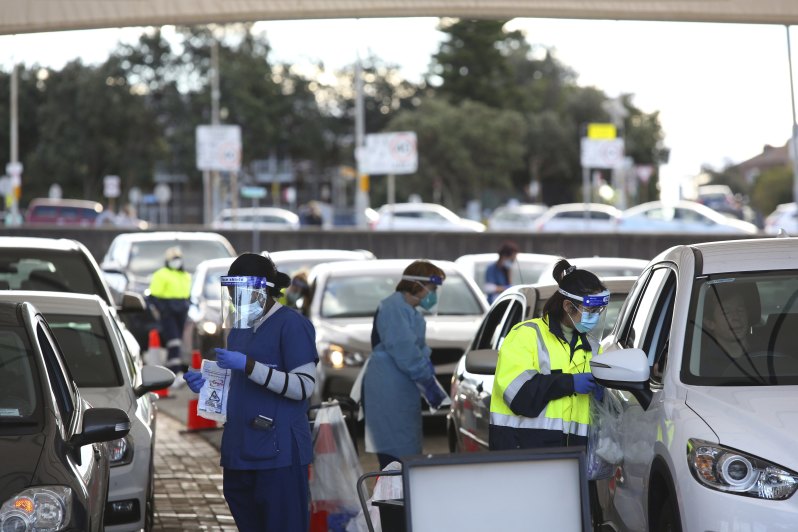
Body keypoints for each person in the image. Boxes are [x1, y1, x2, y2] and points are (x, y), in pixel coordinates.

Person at [183, 253, 317, 531]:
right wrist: (209, 387)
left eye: (239, 294)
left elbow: (303, 386)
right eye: (230, 295)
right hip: (240, 451)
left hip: (279, 454)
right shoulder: (239, 329)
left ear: (262, 291)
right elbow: (239, 387)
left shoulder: (292, 325)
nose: (234, 301)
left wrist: (250, 366)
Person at [489, 258, 608, 451]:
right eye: (590, 310)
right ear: (568, 306)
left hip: (574, 453)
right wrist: (569, 383)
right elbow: (520, 396)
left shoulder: (593, 348)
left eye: (599, 311)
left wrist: (604, 396)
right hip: (525, 450)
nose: (595, 316)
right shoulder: (526, 336)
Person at [362, 260, 449, 469]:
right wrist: (427, 380)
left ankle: (400, 499)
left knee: (405, 452)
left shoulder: (408, 310)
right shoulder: (393, 308)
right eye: (433, 288)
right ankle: (393, 501)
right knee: (395, 458)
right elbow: (405, 351)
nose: (434, 294)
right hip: (389, 389)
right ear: (418, 285)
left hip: (399, 387)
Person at [698, 281, 761, 378]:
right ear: (710, 323)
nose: (736, 317)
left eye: (740, 310)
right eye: (726, 313)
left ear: (748, 315)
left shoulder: (767, 353)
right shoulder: (698, 366)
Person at [148, 246, 191, 377]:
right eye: (173, 259)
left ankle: (175, 372)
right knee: (174, 342)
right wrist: (163, 310)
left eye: (178, 258)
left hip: (181, 312)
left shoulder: (185, 275)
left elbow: (187, 295)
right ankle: (174, 373)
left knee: (178, 342)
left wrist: (187, 305)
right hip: (169, 312)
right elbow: (153, 296)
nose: (176, 261)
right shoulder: (161, 274)